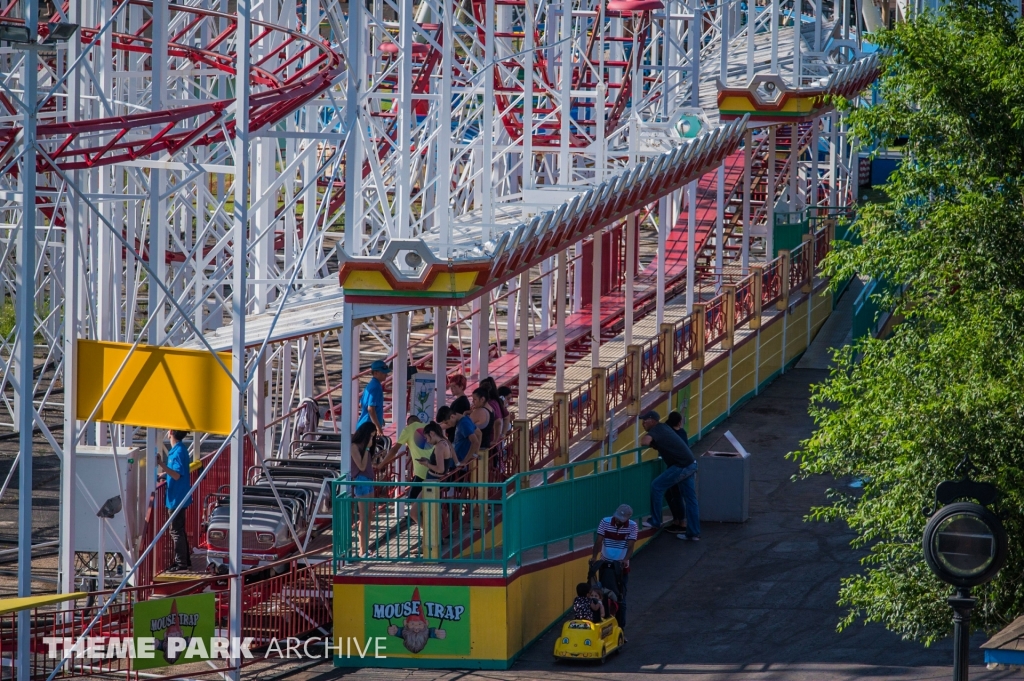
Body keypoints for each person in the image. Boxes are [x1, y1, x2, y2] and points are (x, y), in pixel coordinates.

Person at [639, 411, 700, 541]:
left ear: (653, 420)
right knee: (691, 500)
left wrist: (651, 442)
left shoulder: (658, 429)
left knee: (656, 486)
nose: (643, 423)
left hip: (682, 465)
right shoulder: (664, 428)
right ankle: (693, 533)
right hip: (690, 463)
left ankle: (655, 520)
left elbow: (644, 441)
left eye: (645, 420)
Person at [378, 415, 432, 525]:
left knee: (413, 504)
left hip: (422, 473)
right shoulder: (428, 427)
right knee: (431, 502)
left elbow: (394, 450)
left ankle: (428, 532)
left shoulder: (408, 430)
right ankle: (433, 528)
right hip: (436, 471)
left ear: (408, 424)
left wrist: (382, 464)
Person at [590, 503, 637, 626]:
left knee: (620, 597)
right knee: (603, 594)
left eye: (621, 519)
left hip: (621, 567)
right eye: (617, 517)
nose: (617, 520)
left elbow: (631, 546)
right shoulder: (605, 522)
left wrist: (626, 560)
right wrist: (594, 557)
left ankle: (621, 627)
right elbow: (599, 541)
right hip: (605, 564)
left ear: (627, 518)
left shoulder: (632, 526)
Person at [158, 430, 193, 572]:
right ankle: (185, 560)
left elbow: (177, 475)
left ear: (171, 432)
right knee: (179, 529)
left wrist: (162, 465)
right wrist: (164, 474)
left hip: (176, 498)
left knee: (176, 531)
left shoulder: (178, 452)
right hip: (178, 496)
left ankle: (181, 564)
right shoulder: (179, 449)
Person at [350, 421, 378, 557]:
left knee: (369, 517)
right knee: (364, 517)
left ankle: (366, 548)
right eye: (371, 436)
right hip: (361, 481)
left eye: (374, 437)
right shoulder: (354, 446)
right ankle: (362, 550)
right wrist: (367, 448)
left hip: (369, 480)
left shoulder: (366, 446)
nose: (372, 440)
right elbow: (360, 466)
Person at [661, 411, 689, 535]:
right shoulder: (682, 433)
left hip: (674, 467)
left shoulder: (669, 434)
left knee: (674, 494)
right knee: (675, 494)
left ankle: (680, 522)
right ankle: (679, 521)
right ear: (679, 421)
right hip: (683, 466)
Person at [357, 360, 390, 435]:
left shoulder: (370, 385)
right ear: (376, 373)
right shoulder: (376, 387)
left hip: (364, 424)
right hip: (369, 427)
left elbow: (362, 404)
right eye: (383, 372)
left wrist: (379, 419)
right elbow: (371, 409)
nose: (386, 374)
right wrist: (378, 426)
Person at [469, 388, 496, 455]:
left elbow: (465, 426)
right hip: (486, 446)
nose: (473, 402)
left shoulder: (478, 412)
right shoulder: (491, 409)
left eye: (475, 399)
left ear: (482, 399)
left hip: (476, 450)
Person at [446, 375, 470, 442]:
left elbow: (453, 420)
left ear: (461, 387)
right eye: (451, 386)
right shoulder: (461, 401)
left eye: (454, 386)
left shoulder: (461, 402)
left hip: (456, 437)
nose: (451, 389)